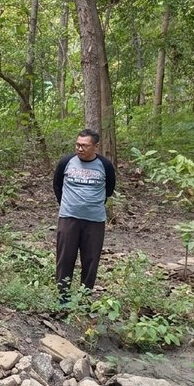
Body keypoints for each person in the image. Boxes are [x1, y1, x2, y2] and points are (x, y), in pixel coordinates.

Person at [53, 128, 116, 303]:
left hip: (94, 220)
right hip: (68, 217)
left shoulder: (105, 165)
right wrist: (68, 204)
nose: (80, 149)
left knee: (91, 260)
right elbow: (57, 185)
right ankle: (63, 297)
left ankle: (84, 298)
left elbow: (109, 189)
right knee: (65, 258)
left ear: (96, 146)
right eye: (78, 145)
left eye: (84, 146)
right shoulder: (66, 162)